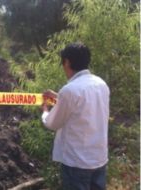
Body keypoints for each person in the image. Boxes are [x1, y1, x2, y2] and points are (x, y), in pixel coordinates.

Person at [41, 42, 110, 190]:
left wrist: (45, 111)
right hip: (99, 159)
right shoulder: (101, 84)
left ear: (67, 62)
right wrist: (59, 97)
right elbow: (83, 107)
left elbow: (52, 123)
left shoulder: (70, 90)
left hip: (77, 164)